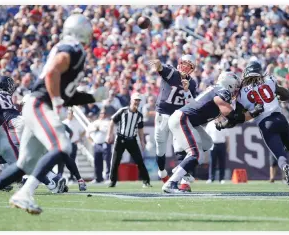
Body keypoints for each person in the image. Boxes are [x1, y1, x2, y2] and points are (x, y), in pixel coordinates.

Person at [0, 13, 107, 216]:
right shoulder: (73, 48)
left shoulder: (66, 48)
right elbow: (52, 73)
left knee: (24, 164)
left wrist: (92, 97)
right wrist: (58, 102)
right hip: (40, 105)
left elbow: (66, 92)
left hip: (35, 104)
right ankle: (24, 194)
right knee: (62, 146)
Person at [220, 61, 289, 191]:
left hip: (265, 123)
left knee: (280, 154)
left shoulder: (241, 93)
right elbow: (287, 95)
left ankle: (285, 167)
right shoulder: (269, 80)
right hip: (281, 118)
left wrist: (226, 122)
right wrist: (278, 95)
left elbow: (237, 118)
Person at [163, 72, 263, 193]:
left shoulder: (218, 90)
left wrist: (245, 115)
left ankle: (181, 169)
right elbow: (233, 116)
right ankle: (171, 183)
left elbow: (231, 120)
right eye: (236, 86)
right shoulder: (222, 91)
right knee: (195, 154)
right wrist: (253, 112)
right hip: (182, 119)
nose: (237, 90)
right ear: (229, 84)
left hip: (187, 121)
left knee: (207, 143)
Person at [148, 55, 197, 191]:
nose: (185, 67)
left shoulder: (192, 83)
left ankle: (183, 182)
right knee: (161, 148)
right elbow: (161, 68)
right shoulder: (171, 73)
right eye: (183, 63)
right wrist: (157, 64)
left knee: (181, 147)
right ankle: (162, 172)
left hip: (178, 116)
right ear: (179, 63)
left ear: (192, 69)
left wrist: (187, 91)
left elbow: (192, 105)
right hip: (162, 115)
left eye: (189, 65)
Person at [106, 93, 151, 188]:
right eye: (135, 100)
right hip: (120, 138)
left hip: (132, 139)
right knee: (115, 160)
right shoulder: (123, 111)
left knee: (139, 161)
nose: (137, 102)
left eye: (138, 100)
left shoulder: (139, 115)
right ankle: (113, 181)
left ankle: (146, 181)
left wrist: (142, 141)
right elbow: (112, 121)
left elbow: (140, 129)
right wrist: (109, 135)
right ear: (131, 100)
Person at [60, 108, 87, 190]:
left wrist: (78, 139)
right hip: (64, 145)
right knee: (62, 162)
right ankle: (60, 177)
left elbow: (82, 131)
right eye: (68, 113)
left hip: (72, 143)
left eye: (71, 113)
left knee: (71, 160)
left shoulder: (76, 122)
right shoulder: (63, 122)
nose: (70, 114)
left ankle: (73, 177)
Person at [86, 109, 112, 183]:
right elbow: (88, 133)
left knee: (107, 161)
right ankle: (98, 178)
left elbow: (108, 131)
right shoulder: (95, 123)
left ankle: (107, 177)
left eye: (104, 113)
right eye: (101, 113)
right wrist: (93, 143)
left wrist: (99, 128)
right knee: (97, 162)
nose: (102, 115)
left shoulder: (108, 122)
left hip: (105, 143)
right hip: (96, 144)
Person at [205, 120, 229, 184]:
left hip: (222, 144)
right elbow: (206, 136)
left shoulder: (223, 123)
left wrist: (228, 146)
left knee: (222, 162)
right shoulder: (210, 124)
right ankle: (211, 178)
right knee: (212, 162)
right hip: (212, 144)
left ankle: (222, 179)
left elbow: (227, 136)